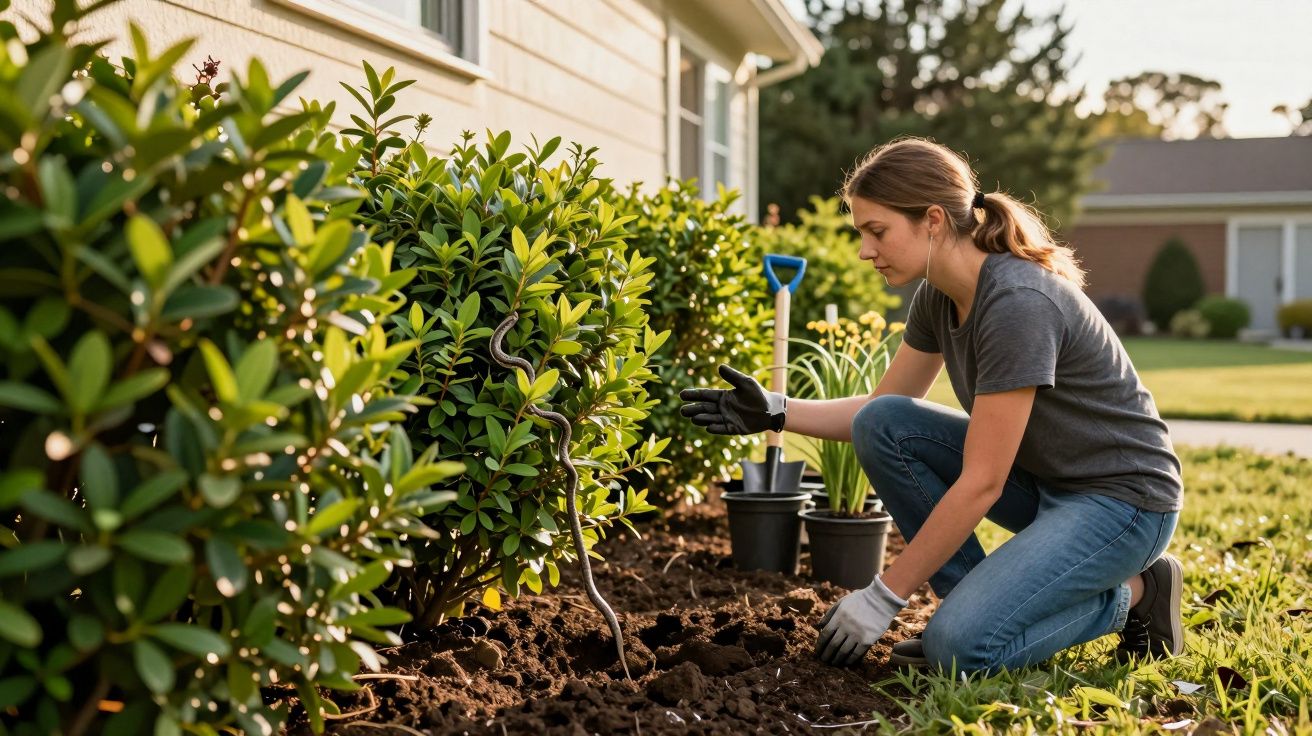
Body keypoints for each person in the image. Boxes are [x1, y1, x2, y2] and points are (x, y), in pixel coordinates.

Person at [678, 137, 1184, 673]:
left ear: (934, 220)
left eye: (878, 231)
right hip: (1048, 483)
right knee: (884, 423)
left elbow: (982, 481)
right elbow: (879, 411)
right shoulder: (938, 296)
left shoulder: (1017, 302)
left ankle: (1136, 592)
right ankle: (978, 607)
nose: (865, 250)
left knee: (961, 651)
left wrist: (883, 596)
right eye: (862, 234)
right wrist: (775, 410)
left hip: (1123, 502)